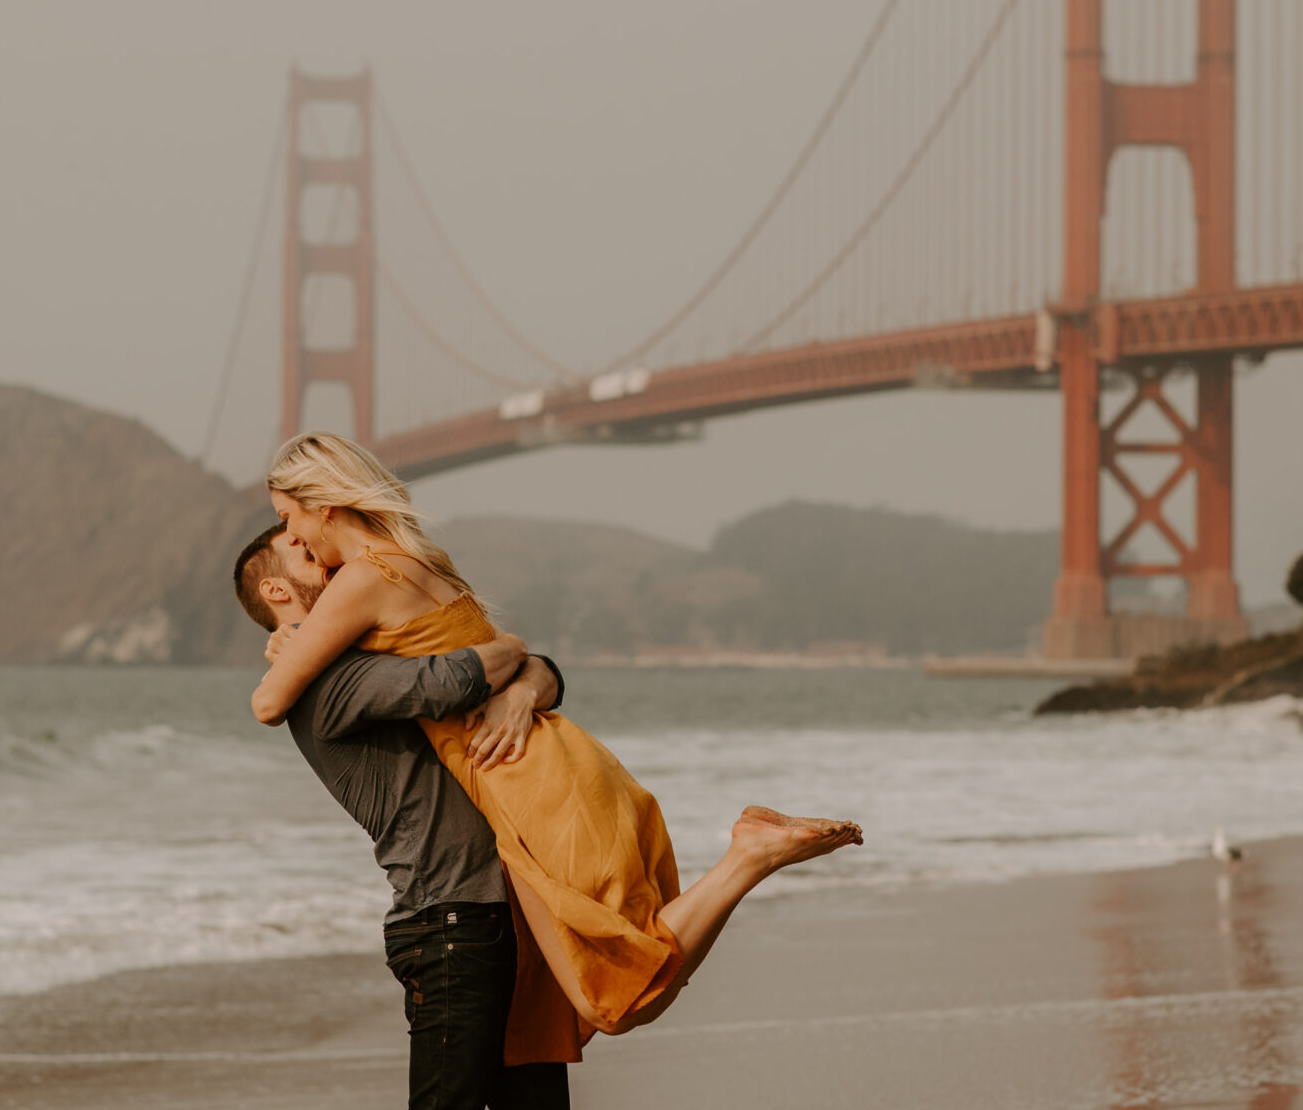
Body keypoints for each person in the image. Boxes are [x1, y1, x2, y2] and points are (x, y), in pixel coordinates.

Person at [247, 430, 861, 1064]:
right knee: (611, 980)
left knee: (610, 994)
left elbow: (268, 704)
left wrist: (290, 641)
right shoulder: (426, 561)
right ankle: (748, 859)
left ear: (323, 503)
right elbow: (494, 654)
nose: (294, 539)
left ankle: (748, 858)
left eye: (288, 518)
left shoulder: (361, 581)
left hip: (525, 783)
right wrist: (526, 679)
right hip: (553, 764)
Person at [233, 525, 576, 1110]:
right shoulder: (329, 682)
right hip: (448, 927)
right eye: (313, 559)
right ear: (279, 595)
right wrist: (510, 663)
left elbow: (538, 672)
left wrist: (527, 679)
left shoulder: (359, 651)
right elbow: (464, 674)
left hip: (501, 917)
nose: (342, 565)